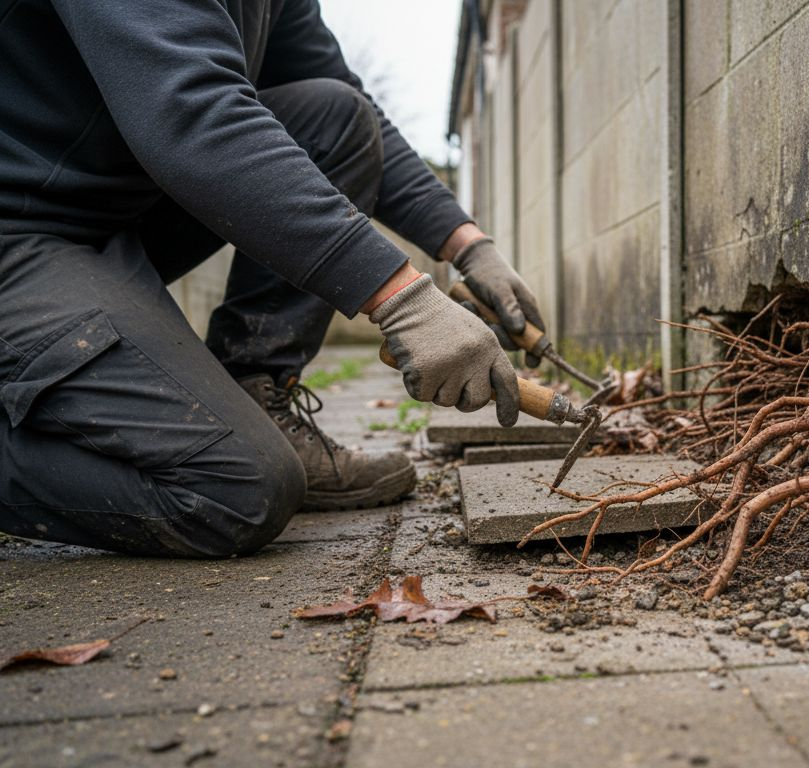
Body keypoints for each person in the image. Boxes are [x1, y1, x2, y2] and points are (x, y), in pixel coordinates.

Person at [0, 0, 544, 556]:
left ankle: (258, 392)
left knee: (338, 117)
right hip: (19, 235)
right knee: (235, 489)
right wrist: (405, 300)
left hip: (108, 219)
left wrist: (468, 245)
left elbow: (348, 105)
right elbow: (194, 114)